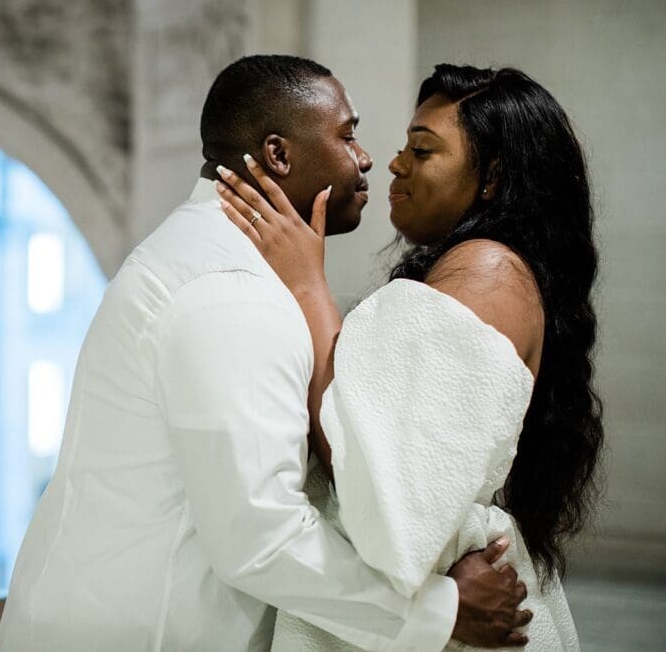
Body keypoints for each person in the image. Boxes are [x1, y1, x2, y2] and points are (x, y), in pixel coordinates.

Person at [0, 56, 531, 651]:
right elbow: (261, 535)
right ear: (278, 155)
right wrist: (441, 610)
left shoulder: (215, 258)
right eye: (347, 133)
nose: (368, 158)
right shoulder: (230, 289)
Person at [217, 63, 602, 650]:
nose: (391, 163)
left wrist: (305, 284)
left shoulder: (487, 271)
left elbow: (374, 481)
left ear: (493, 178)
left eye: (421, 151)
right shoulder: (477, 266)